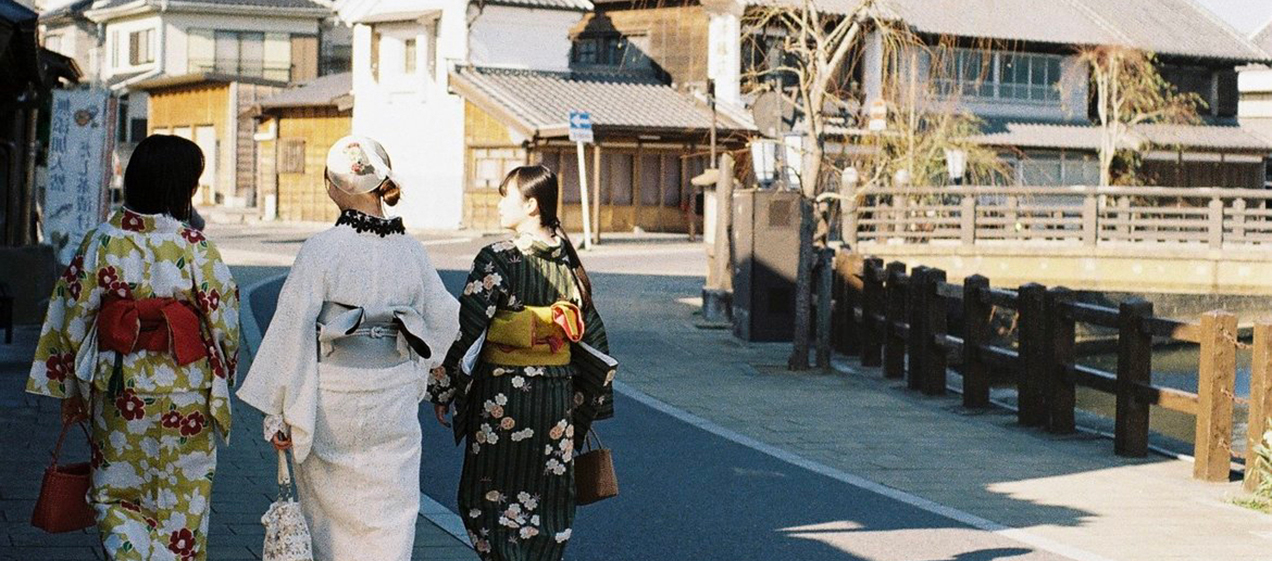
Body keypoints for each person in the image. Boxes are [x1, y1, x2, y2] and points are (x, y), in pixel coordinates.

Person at [237, 135, 460, 561]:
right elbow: (445, 319)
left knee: (330, 520)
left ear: (333, 186)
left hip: (332, 397)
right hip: (391, 394)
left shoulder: (322, 249)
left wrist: (280, 411)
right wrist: (419, 370)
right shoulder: (411, 250)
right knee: (391, 512)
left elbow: (291, 329)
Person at [28, 134, 239, 560]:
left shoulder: (101, 241)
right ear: (180, 187)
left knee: (116, 495)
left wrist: (72, 387)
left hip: (120, 390)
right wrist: (224, 371)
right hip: (186, 390)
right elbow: (225, 324)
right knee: (184, 497)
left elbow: (72, 317)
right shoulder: (196, 248)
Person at [429, 165, 617, 560]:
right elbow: (592, 334)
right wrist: (594, 401)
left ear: (531, 205)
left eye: (506, 196)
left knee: (488, 495)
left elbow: (470, 330)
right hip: (556, 400)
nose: (499, 204)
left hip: (504, 398)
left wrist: (444, 388)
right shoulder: (569, 261)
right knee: (549, 497)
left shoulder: (498, 259)